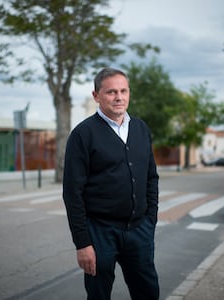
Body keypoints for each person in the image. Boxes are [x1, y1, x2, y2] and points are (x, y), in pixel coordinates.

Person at [63, 67, 159, 300]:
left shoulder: (141, 129)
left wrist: (150, 220)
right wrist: (82, 243)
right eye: (111, 92)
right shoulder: (83, 134)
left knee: (148, 293)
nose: (119, 97)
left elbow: (151, 178)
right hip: (100, 233)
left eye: (123, 91)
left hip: (139, 231)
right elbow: (72, 193)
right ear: (96, 96)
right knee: (98, 296)